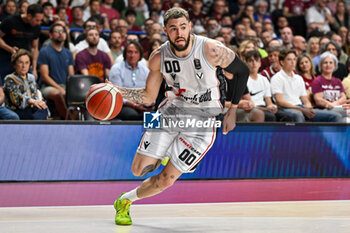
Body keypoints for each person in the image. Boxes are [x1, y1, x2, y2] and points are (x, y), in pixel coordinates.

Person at [111, 7, 249, 225]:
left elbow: (243, 71)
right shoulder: (158, 57)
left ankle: (125, 201)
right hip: (170, 112)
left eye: (183, 27)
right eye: (174, 29)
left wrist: (232, 110)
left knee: (166, 179)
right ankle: (168, 150)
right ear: (166, 31)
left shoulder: (211, 49)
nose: (179, 33)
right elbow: (148, 96)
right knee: (139, 169)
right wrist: (116, 91)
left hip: (205, 120)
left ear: (190, 28)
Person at [271, 49, 340, 122]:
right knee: (298, 115)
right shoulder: (277, 78)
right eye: (289, 60)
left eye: (294, 59)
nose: (293, 62)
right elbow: (280, 101)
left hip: (300, 107)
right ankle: (302, 133)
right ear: (282, 62)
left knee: (335, 116)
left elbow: (305, 100)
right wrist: (301, 109)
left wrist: (308, 108)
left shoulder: (298, 78)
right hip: (285, 109)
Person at [38, 23, 74, 119]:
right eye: (57, 31)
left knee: (81, 94)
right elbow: (45, 76)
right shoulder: (44, 51)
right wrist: (59, 87)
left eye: (63, 31)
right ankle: (70, 120)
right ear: (50, 35)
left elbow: (71, 75)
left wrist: (71, 89)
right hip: (48, 86)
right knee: (58, 93)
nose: (61, 33)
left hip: (65, 86)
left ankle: (79, 120)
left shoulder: (68, 53)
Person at [0, 4, 43, 84]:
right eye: (37, 20)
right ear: (29, 16)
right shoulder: (10, 21)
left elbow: (34, 48)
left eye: (41, 20)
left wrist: (34, 68)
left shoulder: (36, 27)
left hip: (24, 59)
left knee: (26, 87)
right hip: (6, 57)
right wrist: (9, 49)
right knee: (5, 85)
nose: (39, 23)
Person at [245, 50, 293, 122]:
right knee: (270, 117)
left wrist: (271, 107)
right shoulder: (244, 80)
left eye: (257, 61)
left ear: (260, 63)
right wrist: (266, 109)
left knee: (287, 117)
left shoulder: (264, 79)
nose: (254, 63)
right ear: (246, 63)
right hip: (252, 108)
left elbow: (268, 101)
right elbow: (248, 104)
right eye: (251, 61)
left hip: (264, 107)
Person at [109, 41, 150, 120]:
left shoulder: (145, 70)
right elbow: (117, 95)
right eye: (130, 52)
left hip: (142, 104)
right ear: (125, 54)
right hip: (123, 105)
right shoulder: (116, 69)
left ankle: (151, 132)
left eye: (136, 52)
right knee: (133, 115)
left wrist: (149, 104)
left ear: (140, 55)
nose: (132, 55)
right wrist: (135, 105)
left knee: (157, 113)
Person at [3, 49, 48, 120]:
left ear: (30, 64)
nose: (24, 66)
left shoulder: (31, 77)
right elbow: (17, 100)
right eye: (21, 62)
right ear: (14, 64)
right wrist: (32, 101)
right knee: (36, 115)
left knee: (43, 108)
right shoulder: (9, 78)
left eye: (27, 63)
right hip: (17, 109)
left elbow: (37, 93)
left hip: (32, 108)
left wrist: (41, 102)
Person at [312, 52, 348, 122]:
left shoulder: (338, 81)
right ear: (321, 66)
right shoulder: (318, 80)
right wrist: (330, 105)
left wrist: (335, 104)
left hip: (337, 107)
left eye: (331, 63)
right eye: (325, 63)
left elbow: (343, 97)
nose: (328, 65)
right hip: (323, 109)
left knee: (347, 120)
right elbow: (318, 100)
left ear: (335, 66)